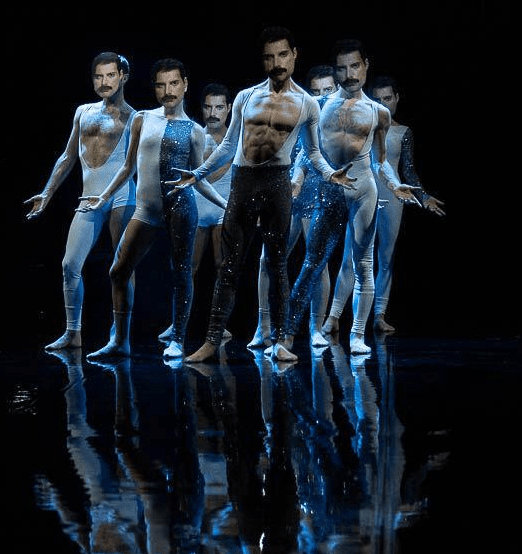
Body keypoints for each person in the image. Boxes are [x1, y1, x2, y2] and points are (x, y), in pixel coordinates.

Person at [166, 26, 354, 363]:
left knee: (277, 265)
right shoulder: (246, 97)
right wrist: (198, 173)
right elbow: (228, 145)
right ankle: (211, 341)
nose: (276, 63)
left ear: (294, 55)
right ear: (263, 61)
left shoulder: (307, 104)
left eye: (282, 55)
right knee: (229, 267)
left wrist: (329, 174)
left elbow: (312, 152)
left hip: (278, 182)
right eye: (269, 57)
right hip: (244, 181)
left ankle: (281, 341)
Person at [280, 39, 421, 356]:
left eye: (355, 66)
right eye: (342, 69)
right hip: (331, 189)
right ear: (335, 71)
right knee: (312, 263)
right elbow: (307, 152)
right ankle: (286, 337)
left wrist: (394, 185)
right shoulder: (319, 106)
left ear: (366, 65)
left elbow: (380, 161)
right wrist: (296, 180)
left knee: (363, 264)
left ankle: (357, 335)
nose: (349, 74)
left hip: (363, 190)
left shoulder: (378, 112)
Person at [78, 58, 227, 359]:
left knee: (181, 273)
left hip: (180, 206)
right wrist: (104, 197)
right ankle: (120, 341)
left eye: (173, 83)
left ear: (185, 84)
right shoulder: (142, 118)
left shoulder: (194, 130)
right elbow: (128, 167)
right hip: (146, 210)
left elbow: (197, 179)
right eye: (161, 85)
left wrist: (226, 204)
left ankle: (178, 340)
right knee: (118, 271)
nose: (167, 91)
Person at [24, 52, 138, 350]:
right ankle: (73, 333)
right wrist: (47, 193)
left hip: (121, 196)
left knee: (121, 267)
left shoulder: (134, 117)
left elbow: (133, 165)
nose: (104, 82)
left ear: (123, 76)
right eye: (98, 76)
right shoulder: (83, 112)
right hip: (89, 197)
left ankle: (121, 336)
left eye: (110, 75)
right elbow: (67, 156)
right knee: (69, 264)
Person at [323, 74, 445, 335]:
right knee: (351, 257)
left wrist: (423, 196)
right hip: (361, 195)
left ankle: (379, 315)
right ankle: (333, 317)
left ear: (397, 98)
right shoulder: (361, 125)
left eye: (387, 98)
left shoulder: (403, 132)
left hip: (391, 200)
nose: (383, 104)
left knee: (385, 258)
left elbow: (408, 170)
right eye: (377, 99)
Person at [249, 64, 338, 350]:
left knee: (317, 263)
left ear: (336, 89)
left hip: (318, 195)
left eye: (328, 90)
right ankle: (263, 326)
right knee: (267, 259)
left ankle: (315, 328)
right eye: (316, 91)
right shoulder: (298, 113)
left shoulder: (337, 121)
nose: (322, 97)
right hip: (287, 193)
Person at [157, 83, 235, 343]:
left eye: (219, 107)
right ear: (201, 108)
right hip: (198, 208)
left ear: (228, 108)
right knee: (186, 268)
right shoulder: (194, 135)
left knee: (223, 268)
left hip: (224, 209)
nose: (213, 113)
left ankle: (219, 324)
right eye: (208, 107)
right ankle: (177, 322)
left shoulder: (236, 138)